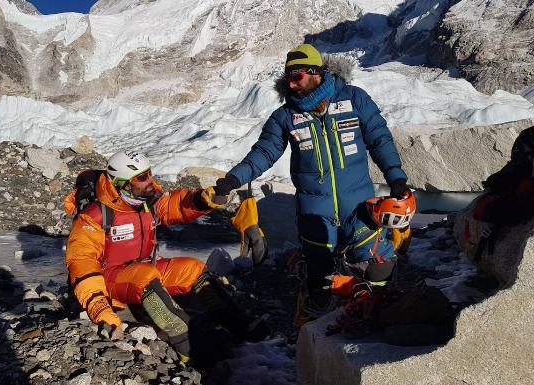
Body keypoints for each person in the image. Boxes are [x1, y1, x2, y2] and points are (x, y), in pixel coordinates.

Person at [215, 43, 411, 324]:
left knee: (379, 269)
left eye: (297, 77)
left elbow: (379, 138)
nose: (291, 85)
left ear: (316, 72)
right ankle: (317, 323)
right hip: (314, 212)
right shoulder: (285, 116)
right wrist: (234, 178)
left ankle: (379, 310)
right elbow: (264, 152)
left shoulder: (354, 99)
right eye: (288, 78)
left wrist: (396, 178)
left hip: (358, 208)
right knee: (320, 283)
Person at [65, 151, 267, 365]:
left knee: (193, 269)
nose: (150, 181)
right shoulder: (95, 215)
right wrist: (97, 305)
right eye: (142, 178)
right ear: (123, 184)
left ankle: (238, 324)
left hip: (145, 270)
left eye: (149, 174)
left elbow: (177, 206)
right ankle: (188, 345)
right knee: (144, 275)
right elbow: (81, 261)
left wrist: (204, 199)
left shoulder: (146, 202)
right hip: (110, 280)